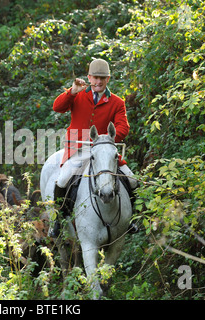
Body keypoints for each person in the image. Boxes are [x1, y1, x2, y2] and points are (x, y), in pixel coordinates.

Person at [50, 58, 137, 237]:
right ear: (89, 77)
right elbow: (57, 107)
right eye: (95, 77)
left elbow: (123, 127)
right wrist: (72, 92)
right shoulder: (77, 95)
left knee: (132, 178)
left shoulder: (117, 102)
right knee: (63, 179)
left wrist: (107, 139)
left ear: (108, 79)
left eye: (102, 78)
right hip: (79, 148)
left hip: (104, 150)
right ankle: (58, 220)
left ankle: (131, 220)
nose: (98, 82)